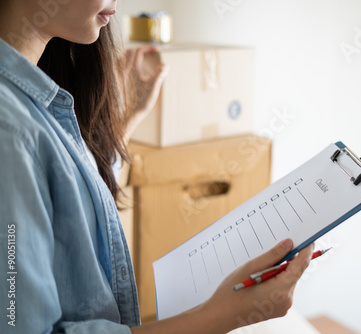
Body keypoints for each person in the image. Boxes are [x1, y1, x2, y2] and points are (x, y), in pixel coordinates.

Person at [0, 0, 314, 333]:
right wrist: (223, 315)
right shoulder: (11, 131)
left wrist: (129, 116)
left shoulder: (33, 101)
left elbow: (65, 196)